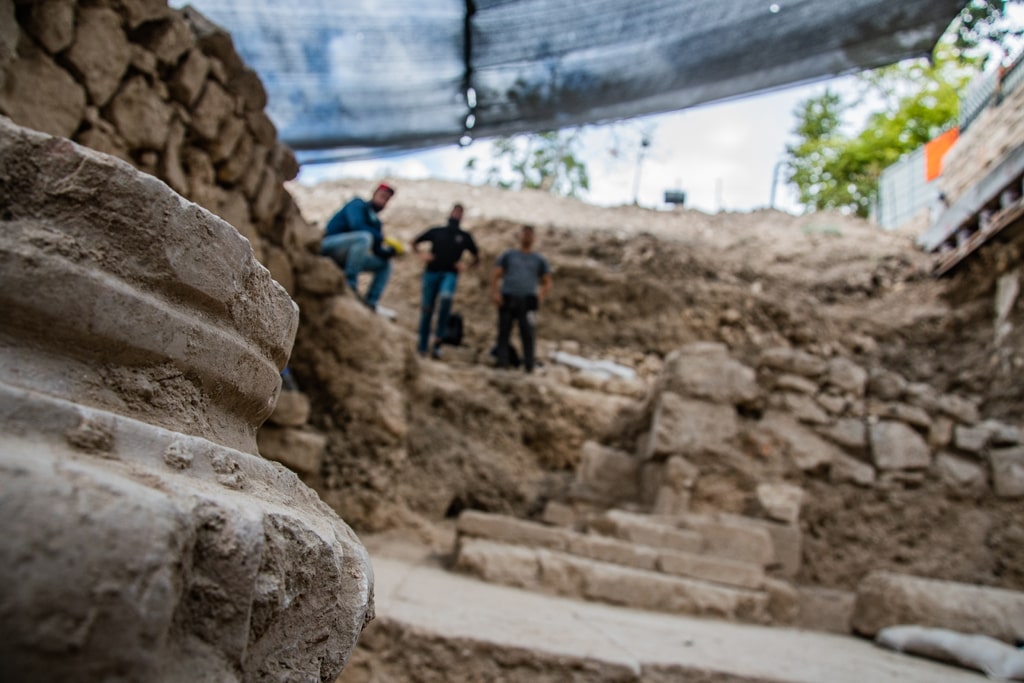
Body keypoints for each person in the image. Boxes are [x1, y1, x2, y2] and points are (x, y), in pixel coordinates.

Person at [412, 203, 479, 358]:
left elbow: (476, 256)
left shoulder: (464, 237)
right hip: (431, 273)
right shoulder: (437, 231)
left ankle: (438, 339)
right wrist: (422, 255)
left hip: (450, 274)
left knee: (446, 298)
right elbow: (415, 242)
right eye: (455, 211)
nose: (456, 215)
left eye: (459, 212)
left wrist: (465, 266)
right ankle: (422, 347)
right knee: (427, 310)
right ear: (450, 212)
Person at [319, 183, 396, 309]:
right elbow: (357, 225)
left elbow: (376, 249)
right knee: (364, 238)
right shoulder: (357, 204)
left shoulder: (376, 222)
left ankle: (371, 302)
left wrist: (387, 253)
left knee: (386, 264)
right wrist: (380, 237)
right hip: (329, 246)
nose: (383, 201)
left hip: (348, 256)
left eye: (387, 199)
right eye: (382, 196)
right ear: (374, 194)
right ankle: (350, 284)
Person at [491, 224, 552, 373]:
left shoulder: (539, 259)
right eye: (525, 233)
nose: (527, 236)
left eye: (530, 234)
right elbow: (496, 275)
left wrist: (540, 296)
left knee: (528, 334)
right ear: (519, 236)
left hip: (527, 300)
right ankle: (502, 362)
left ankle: (529, 365)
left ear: (535, 238)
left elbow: (547, 281)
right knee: (504, 332)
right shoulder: (509, 255)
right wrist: (495, 293)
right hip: (508, 297)